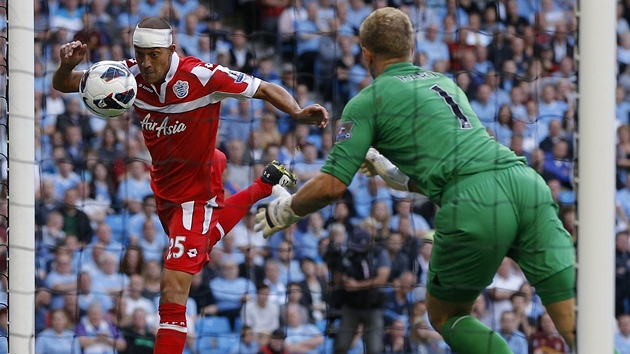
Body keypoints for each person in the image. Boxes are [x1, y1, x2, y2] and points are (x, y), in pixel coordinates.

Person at [255, 7, 575, 354]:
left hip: (474, 203)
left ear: (366, 54)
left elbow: (333, 185)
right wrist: (396, 176)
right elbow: (458, 163)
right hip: (526, 184)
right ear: (412, 47)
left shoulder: (367, 101)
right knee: (576, 326)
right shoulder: (445, 82)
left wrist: (286, 210)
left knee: (447, 316)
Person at [53, 16, 328, 354]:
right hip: (164, 191)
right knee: (203, 243)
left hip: (196, 195)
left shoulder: (203, 75)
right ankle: (266, 184)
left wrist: (298, 112)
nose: (145, 62)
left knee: (172, 289)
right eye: (140, 54)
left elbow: (265, 88)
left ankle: (263, 185)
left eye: (154, 54)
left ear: (171, 49)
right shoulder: (127, 76)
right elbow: (67, 85)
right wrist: (67, 66)